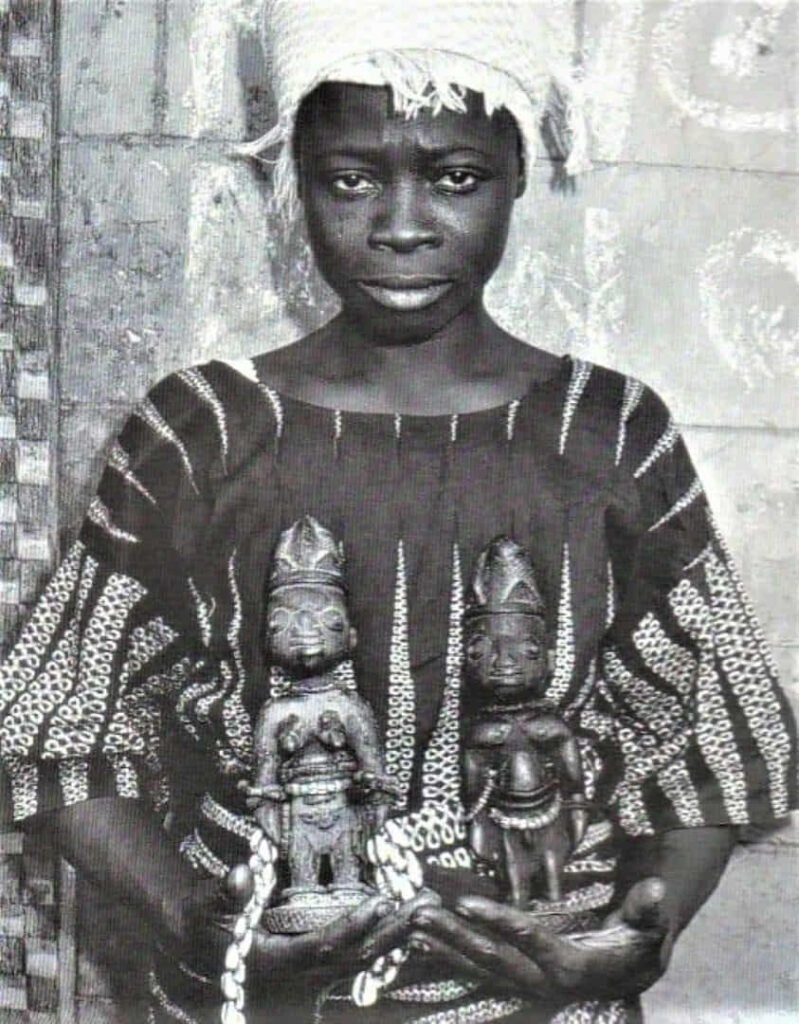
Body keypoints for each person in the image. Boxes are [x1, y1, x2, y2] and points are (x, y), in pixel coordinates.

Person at [0, 1, 795, 1022]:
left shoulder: (609, 434)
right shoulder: (199, 431)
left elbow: (709, 734)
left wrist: (643, 930)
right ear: (296, 175)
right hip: (257, 991)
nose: (402, 225)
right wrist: (193, 916)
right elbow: (59, 729)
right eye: (351, 179)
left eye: (455, 177)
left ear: (516, 172)